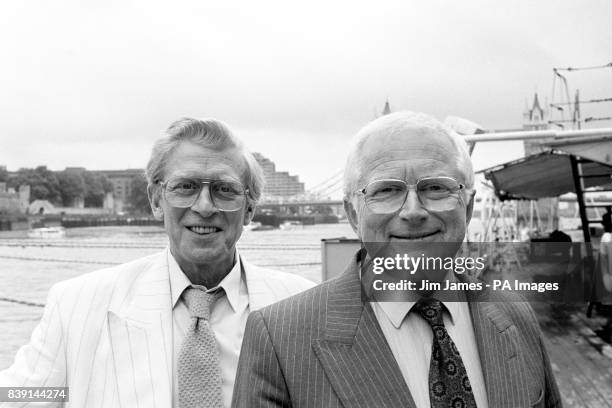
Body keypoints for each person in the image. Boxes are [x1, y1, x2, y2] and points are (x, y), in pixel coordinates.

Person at [232, 112, 561, 408]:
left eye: (436, 187)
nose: (413, 211)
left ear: (469, 207)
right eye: (386, 191)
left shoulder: (515, 315)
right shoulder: (278, 339)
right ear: (352, 213)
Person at [0, 118, 315, 408]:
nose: (204, 207)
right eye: (185, 187)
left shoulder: (306, 308)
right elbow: (21, 394)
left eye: (224, 190)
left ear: (249, 209)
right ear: (155, 200)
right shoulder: (76, 307)